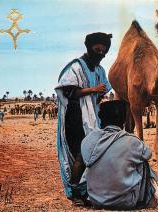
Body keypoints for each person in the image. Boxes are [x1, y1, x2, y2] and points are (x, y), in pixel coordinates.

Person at [55, 32, 112, 205]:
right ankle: (75, 193)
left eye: (104, 51)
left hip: (93, 118)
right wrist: (93, 90)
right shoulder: (76, 67)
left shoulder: (100, 70)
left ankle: (87, 191)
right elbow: (68, 92)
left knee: (93, 153)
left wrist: (99, 94)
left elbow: (102, 93)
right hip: (75, 117)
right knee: (81, 154)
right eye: (97, 50)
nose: (100, 54)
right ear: (89, 48)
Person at [81, 100, 158, 210]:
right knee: (143, 163)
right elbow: (148, 154)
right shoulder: (132, 141)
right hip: (126, 202)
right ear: (123, 119)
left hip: (95, 200)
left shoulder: (89, 139)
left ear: (101, 118)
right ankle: (148, 199)